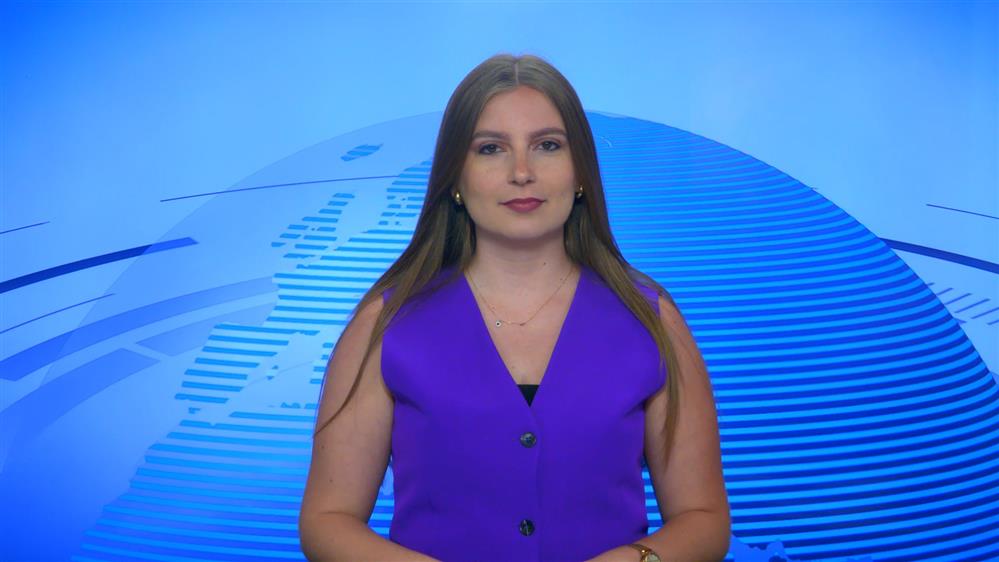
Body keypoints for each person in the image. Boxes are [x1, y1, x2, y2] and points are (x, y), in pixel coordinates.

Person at [298, 53, 730, 562]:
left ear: (581, 172)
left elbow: (703, 520)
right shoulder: (385, 324)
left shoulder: (651, 319)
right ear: (456, 178)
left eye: (547, 145)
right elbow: (327, 521)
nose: (522, 172)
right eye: (490, 148)